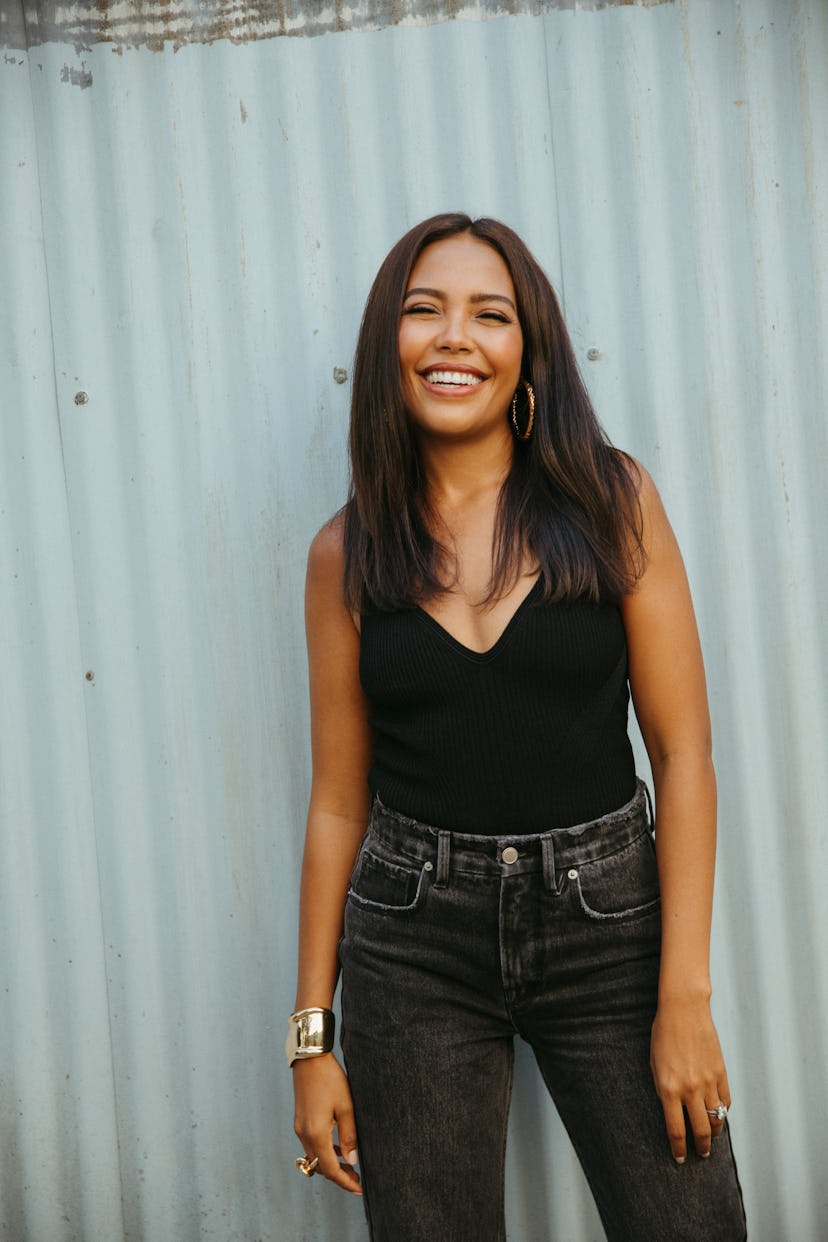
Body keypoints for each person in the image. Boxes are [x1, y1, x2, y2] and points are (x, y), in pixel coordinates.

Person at [286, 213, 746, 1241]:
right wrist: (313, 1038)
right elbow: (336, 804)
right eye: (424, 311)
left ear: (525, 353)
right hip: (413, 944)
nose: (456, 336)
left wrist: (684, 997)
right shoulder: (344, 556)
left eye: (489, 315)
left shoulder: (610, 503)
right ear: (387, 350)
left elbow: (684, 755)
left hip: (612, 931)